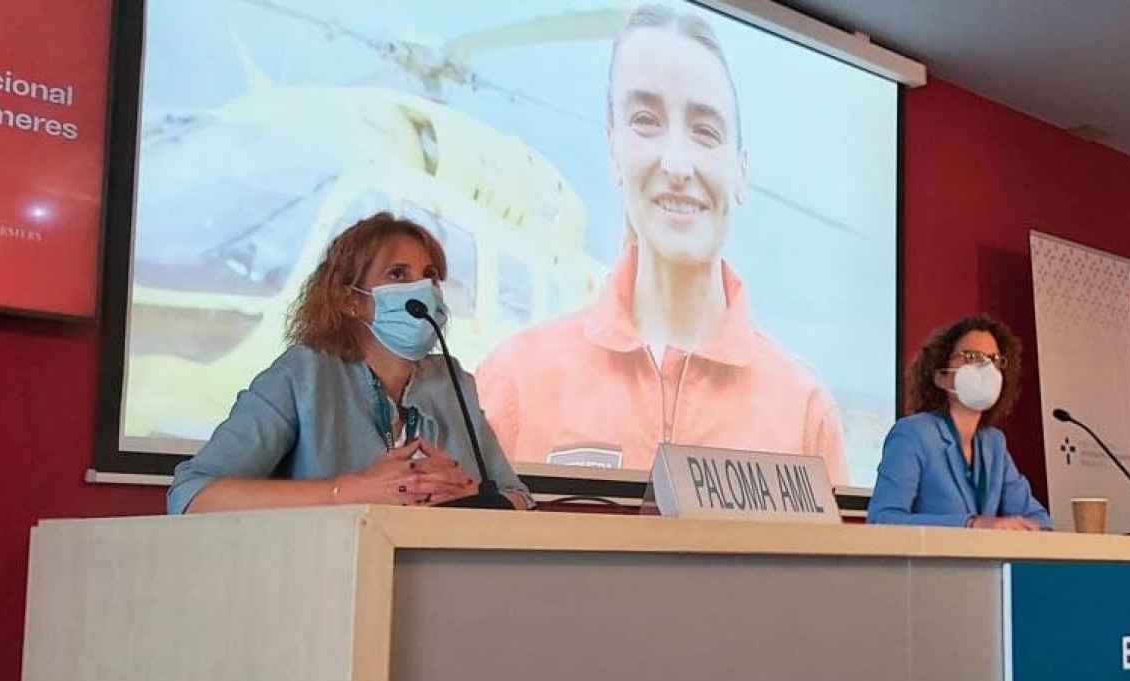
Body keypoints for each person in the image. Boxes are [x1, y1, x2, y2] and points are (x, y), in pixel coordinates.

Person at [475, 3, 849, 484]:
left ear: (741, 169)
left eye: (705, 131)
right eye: (646, 120)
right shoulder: (512, 382)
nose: (676, 163)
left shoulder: (804, 408)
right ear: (613, 149)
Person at [167, 213, 533, 514]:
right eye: (398, 274)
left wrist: (476, 500)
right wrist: (351, 491)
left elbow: (519, 497)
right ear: (350, 300)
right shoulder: (303, 374)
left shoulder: (454, 383)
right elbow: (194, 496)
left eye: (430, 275)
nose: (423, 288)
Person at [867, 315, 1052, 529]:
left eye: (994, 359)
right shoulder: (912, 433)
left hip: (984, 563)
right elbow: (882, 519)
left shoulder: (994, 443)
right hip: (929, 562)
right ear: (941, 376)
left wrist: (1030, 527)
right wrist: (970, 524)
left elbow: (1039, 519)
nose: (986, 368)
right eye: (972, 357)